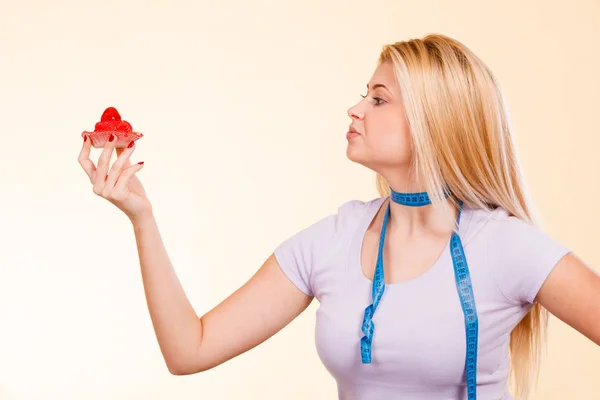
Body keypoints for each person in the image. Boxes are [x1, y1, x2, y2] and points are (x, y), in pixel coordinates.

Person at [77, 33, 600, 400]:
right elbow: (188, 350)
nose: (355, 110)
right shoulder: (332, 240)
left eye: (378, 99)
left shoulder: (504, 247)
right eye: (362, 95)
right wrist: (141, 218)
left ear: (435, 120)